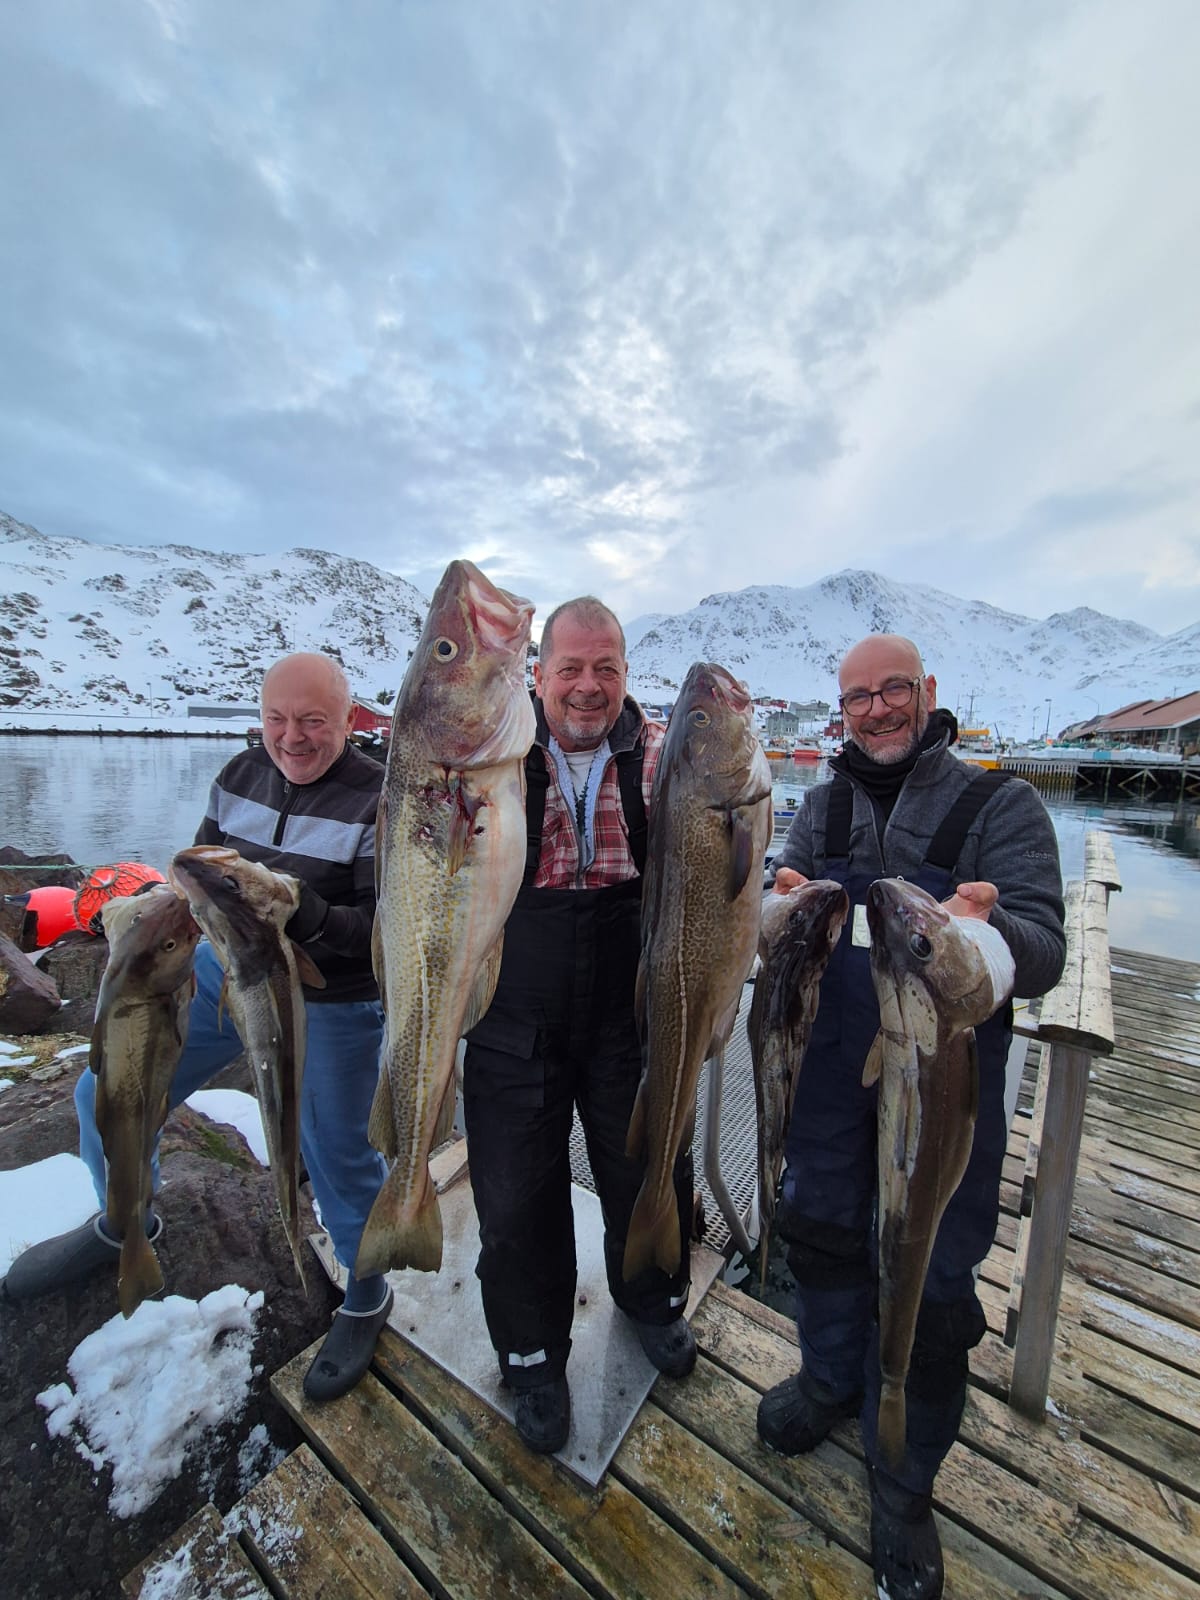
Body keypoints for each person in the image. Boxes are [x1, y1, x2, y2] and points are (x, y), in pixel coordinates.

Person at [757, 634, 1066, 1600]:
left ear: (928, 691)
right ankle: (829, 1377)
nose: (878, 709)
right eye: (858, 697)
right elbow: (780, 897)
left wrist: (991, 925)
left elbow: (1045, 951)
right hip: (829, 1085)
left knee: (932, 1284)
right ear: (841, 710)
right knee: (819, 1234)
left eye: (894, 689)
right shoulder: (820, 807)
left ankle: (904, 1476)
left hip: (943, 1090)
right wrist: (780, 906)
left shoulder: (1000, 805)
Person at [4, 653, 393, 1402]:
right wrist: (150, 910)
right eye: (277, 719)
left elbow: (378, 933)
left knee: (338, 1156)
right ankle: (127, 1218)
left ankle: (368, 1290)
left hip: (331, 1000)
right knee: (103, 1094)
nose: (292, 737)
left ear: (350, 720)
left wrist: (304, 911)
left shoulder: (379, 801)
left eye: (314, 721)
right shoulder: (239, 774)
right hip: (220, 966)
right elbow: (195, 870)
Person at [462, 597, 696, 1455]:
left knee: (647, 1162)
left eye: (606, 668)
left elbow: (721, 858)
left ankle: (651, 1299)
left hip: (627, 1006)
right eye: (570, 668)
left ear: (627, 674)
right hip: (511, 1008)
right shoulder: (492, 753)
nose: (587, 686)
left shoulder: (667, 758)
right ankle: (532, 1356)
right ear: (539, 674)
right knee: (515, 1192)